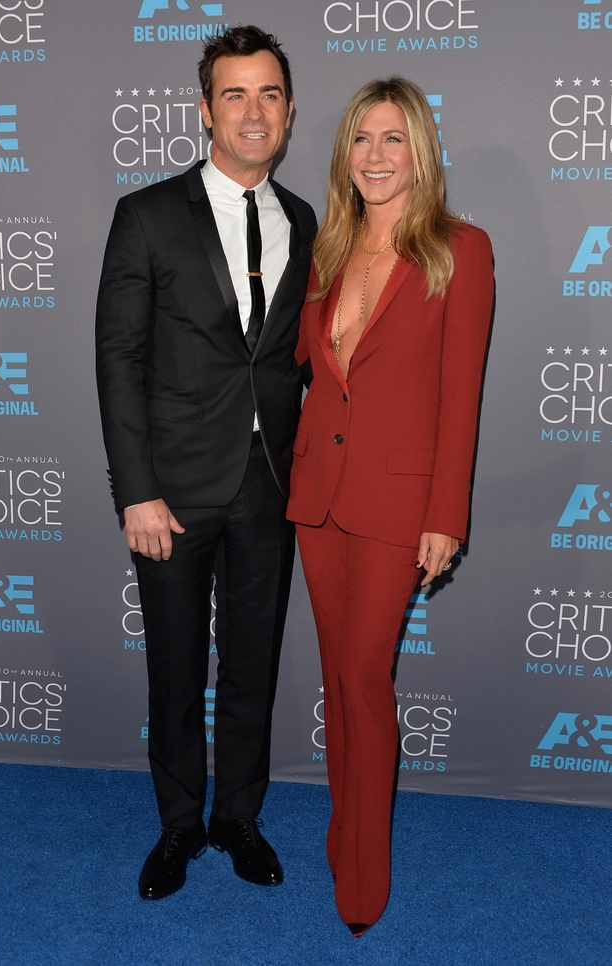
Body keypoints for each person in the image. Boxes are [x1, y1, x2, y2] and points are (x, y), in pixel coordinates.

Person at [96, 25, 316, 901]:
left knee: (253, 668)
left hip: (272, 488)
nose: (252, 111)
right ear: (205, 110)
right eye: (235, 94)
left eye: (268, 94)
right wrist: (136, 490)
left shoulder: (303, 219)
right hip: (174, 493)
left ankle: (239, 819)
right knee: (177, 666)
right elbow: (119, 361)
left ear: (289, 113)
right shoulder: (146, 215)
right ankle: (181, 825)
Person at [287, 77, 494, 935]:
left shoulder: (460, 249)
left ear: (420, 151)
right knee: (337, 678)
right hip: (317, 499)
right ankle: (345, 827)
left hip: (398, 505)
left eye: (392, 140)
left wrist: (445, 515)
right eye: (361, 141)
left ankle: (366, 872)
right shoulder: (327, 249)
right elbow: (306, 368)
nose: (374, 156)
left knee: (367, 680)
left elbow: (461, 396)